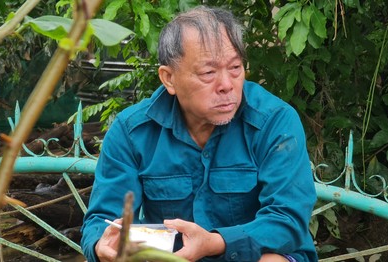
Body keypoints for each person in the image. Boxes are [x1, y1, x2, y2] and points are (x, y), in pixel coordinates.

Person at [80, 5, 318, 262]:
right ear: (169, 78)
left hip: (257, 255)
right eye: (208, 72)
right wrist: (100, 246)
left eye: (235, 68)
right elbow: (102, 221)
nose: (227, 85)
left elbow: (288, 220)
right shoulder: (132, 130)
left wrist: (216, 242)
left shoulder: (274, 121)